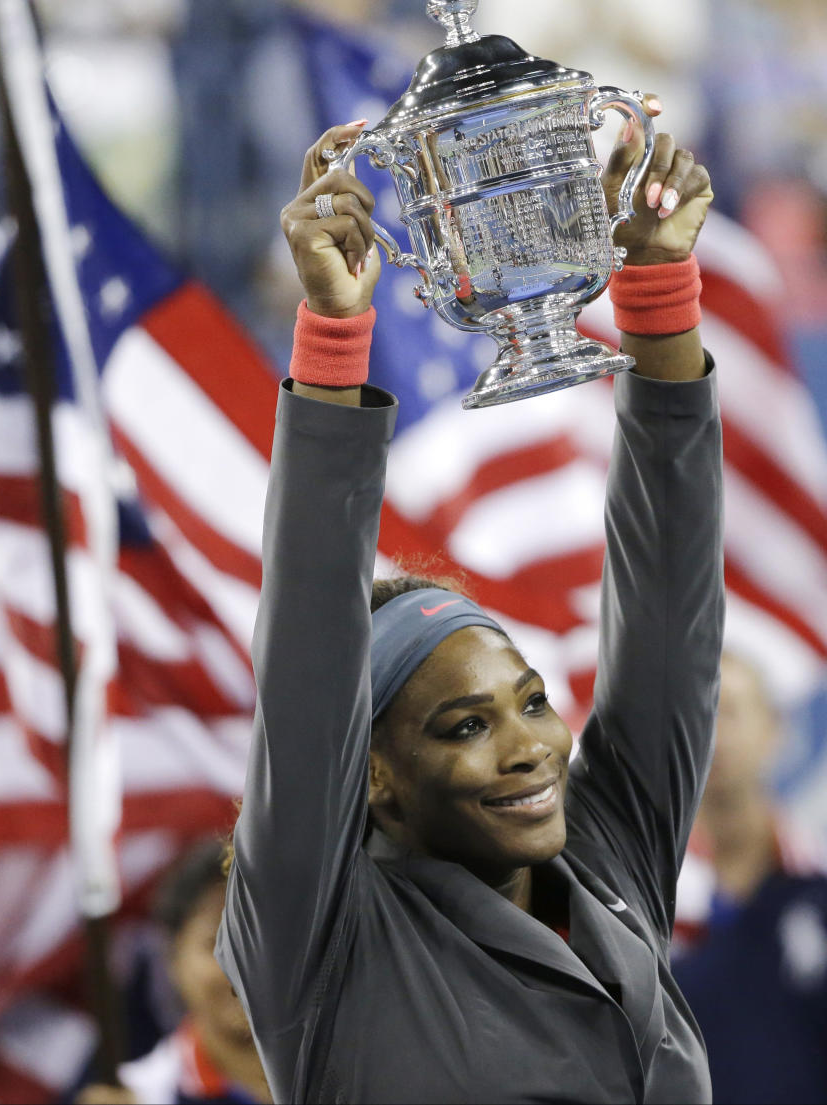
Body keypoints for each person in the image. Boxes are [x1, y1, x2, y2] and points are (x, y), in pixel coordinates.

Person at [216, 101, 722, 1103]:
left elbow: (669, 613)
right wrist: (332, 339)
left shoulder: (603, 858)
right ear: (373, 776)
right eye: (464, 725)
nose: (530, 744)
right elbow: (310, 666)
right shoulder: (322, 941)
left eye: (531, 701)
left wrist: (659, 289)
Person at [671, 650, 827, 1105]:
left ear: (775, 729)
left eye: (731, 711)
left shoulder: (816, 879)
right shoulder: (636, 908)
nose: (715, 736)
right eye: (698, 715)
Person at [78, 838, 271, 1105]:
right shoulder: (136, 1097)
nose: (243, 965)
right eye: (216, 941)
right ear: (173, 960)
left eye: (264, 939)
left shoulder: (344, 1075)